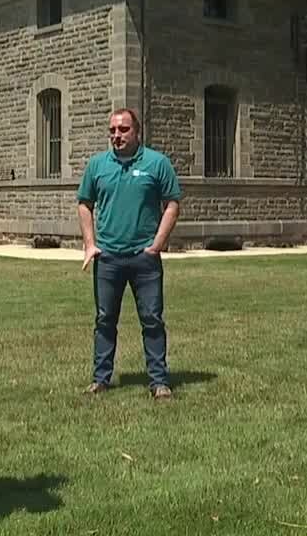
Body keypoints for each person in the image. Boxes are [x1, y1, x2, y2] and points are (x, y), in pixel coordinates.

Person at [76, 108, 182, 400]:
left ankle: (159, 381)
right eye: (112, 130)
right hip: (108, 257)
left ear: (137, 132)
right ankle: (101, 379)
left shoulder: (157, 163)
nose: (116, 136)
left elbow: (172, 203)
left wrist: (157, 245)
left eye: (123, 130)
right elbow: (84, 203)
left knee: (152, 319)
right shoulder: (97, 165)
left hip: (144, 258)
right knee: (105, 319)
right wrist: (90, 243)